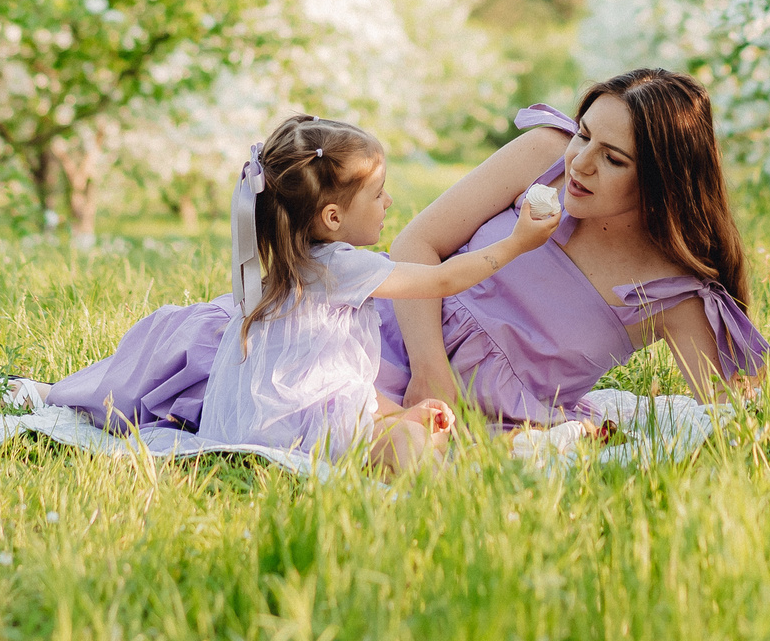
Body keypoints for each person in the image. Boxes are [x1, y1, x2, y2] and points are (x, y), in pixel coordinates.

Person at [45, 69, 766, 434]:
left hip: (484, 415)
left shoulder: (674, 293)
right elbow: (421, 240)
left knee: (359, 432)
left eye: (613, 159)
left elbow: (732, 411)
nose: (580, 163)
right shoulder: (543, 155)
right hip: (391, 339)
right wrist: (431, 369)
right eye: (585, 135)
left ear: (664, 179)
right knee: (220, 361)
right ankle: (46, 395)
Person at [192, 113, 560, 469]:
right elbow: (443, 279)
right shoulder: (339, 267)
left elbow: (333, 378)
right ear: (333, 217)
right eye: (378, 193)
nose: (389, 202)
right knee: (415, 444)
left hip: (275, 422)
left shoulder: (291, 271)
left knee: (420, 430)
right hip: (298, 432)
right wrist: (517, 243)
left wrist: (399, 413)